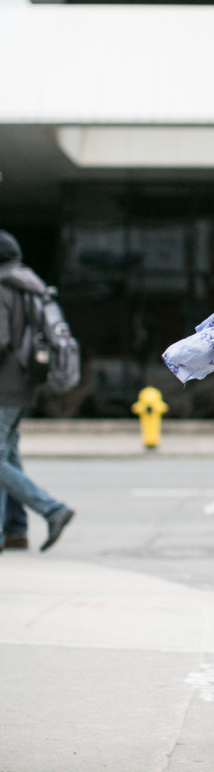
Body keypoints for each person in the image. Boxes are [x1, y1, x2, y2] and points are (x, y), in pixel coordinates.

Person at [0, 230, 75, 553]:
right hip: (24, 383)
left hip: (4, 385)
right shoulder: (28, 283)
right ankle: (15, 530)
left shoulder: (2, 287)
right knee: (8, 454)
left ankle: (51, 508)